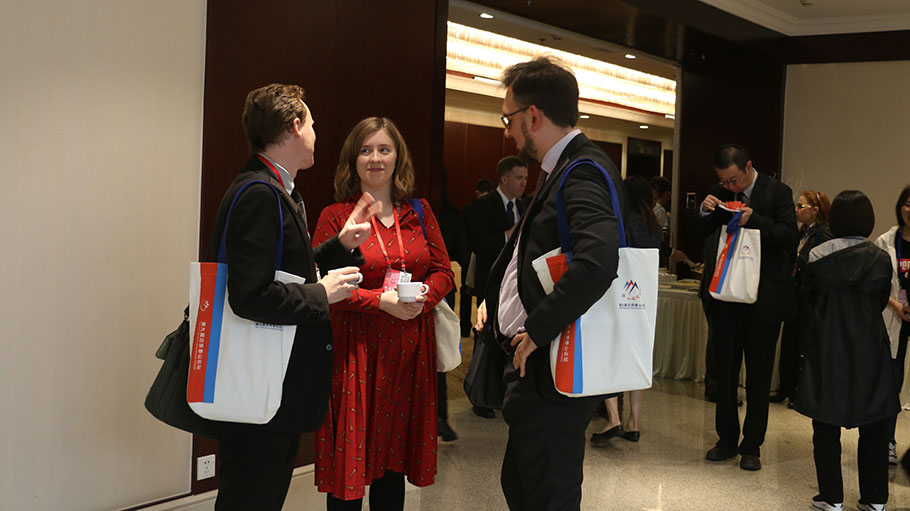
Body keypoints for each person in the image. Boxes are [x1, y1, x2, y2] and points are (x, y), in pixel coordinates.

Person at [208, 84, 375, 511]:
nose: (317, 134)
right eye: (313, 124)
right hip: (260, 385)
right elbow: (250, 295)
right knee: (251, 497)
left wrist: (338, 245)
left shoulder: (274, 188)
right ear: (295, 127)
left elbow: (282, 271)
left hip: (267, 381)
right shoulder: (260, 194)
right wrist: (321, 294)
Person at [474, 56, 627, 510]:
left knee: (545, 495)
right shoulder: (565, 167)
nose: (508, 131)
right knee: (524, 486)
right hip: (545, 367)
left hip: (554, 365)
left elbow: (597, 261)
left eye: (509, 119)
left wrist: (537, 331)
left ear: (534, 115)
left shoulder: (581, 170)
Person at [312, 117, 455, 511]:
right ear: (353, 160)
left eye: (383, 149)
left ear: (397, 158)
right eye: (365, 150)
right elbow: (324, 287)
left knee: (393, 466)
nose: (375, 158)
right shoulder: (335, 216)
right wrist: (382, 301)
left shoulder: (419, 212)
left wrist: (422, 297)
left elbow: (443, 271)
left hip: (409, 355)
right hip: (355, 355)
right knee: (350, 469)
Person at [694, 143, 798, 471]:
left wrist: (757, 221)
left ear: (749, 167)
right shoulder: (718, 193)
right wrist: (704, 211)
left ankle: (752, 445)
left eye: (734, 180)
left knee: (758, 377)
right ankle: (725, 440)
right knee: (724, 374)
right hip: (725, 298)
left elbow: (789, 237)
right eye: (724, 181)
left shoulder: (777, 192)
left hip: (763, 301)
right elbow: (699, 234)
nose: (730, 186)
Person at [794, 190, 899, 511]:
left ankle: (832, 497)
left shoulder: (813, 258)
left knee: (825, 424)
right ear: (867, 220)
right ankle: (875, 499)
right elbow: (879, 301)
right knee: (875, 424)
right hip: (870, 346)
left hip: (827, 346)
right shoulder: (880, 258)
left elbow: (807, 301)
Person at [590, 175, 659, 446]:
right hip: (643, 298)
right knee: (638, 354)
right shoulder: (653, 223)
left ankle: (613, 419)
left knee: (609, 350)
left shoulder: (621, 220)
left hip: (619, 294)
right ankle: (634, 423)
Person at [464, 155, 529, 419]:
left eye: (526, 178)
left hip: (516, 283)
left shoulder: (526, 206)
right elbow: (477, 244)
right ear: (504, 179)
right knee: (486, 334)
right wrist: (507, 235)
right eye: (519, 178)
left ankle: (505, 393)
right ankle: (480, 395)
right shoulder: (482, 206)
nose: (524, 183)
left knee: (511, 333)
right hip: (490, 281)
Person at [771, 189, 832, 408]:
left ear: (815, 210)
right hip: (794, 294)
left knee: (803, 345)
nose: (796, 210)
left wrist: (798, 260)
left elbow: (821, 266)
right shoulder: (801, 232)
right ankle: (785, 388)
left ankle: (799, 393)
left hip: (809, 299)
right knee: (789, 343)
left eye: (801, 206)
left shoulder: (824, 234)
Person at [873, 184, 910, 465]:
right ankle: (887, 441)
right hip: (895, 320)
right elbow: (875, 284)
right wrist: (896, 305)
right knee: (891, 385)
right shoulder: (886, 241)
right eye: (907, 204)